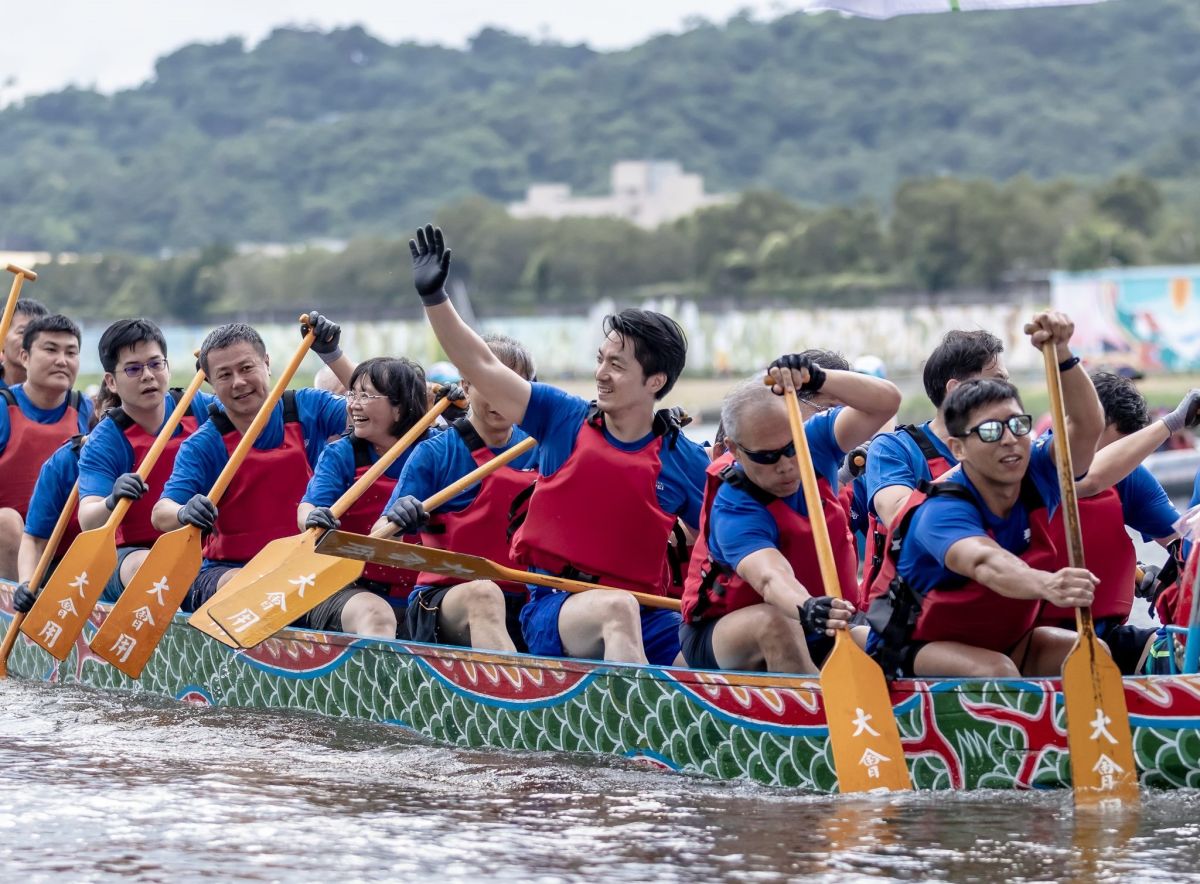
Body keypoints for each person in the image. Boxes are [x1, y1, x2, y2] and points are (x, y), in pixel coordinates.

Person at [407, 224, 708, 666]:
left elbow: (730, 538)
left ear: (656, 381)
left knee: (706, 644)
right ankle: (638, 720)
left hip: (649, 611)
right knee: (617, 608)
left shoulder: (683, 457)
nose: (601, 373)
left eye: (617, 366)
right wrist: (435, 298)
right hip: (555, 607)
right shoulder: (560, 416)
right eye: (600, 360)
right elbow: (481, 364)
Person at [866, 313, 1106, 679]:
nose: (1010, 439)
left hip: (1006, 640)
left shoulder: (1037, 470)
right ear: (958, 449)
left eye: (1017, 425)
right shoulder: (940, 511)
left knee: (1089, 653)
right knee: (997, 671)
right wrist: (1049, 584)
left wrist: (1062, 354)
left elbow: (1087, 426)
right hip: (916, 647)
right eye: (992, 431)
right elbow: (985, 564)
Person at [680, 355, 900, 673]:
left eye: (790, 448)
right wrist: (807, 606)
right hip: (725, 631)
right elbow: (772, 578)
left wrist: (820, 378)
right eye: (766, 457)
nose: (785, 465)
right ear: (735, 449)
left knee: (895, 644)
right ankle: (819, 714)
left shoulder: (815, 440)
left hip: (817, 618)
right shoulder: (733, 506)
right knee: (778, 624)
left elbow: (886, 403)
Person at [151, 314, 354, 611]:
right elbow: (160, 514)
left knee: (367, 611)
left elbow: (378, 409)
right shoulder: (204, 444)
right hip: (227, 572)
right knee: (255, 584)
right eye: (224, 375)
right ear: (209, 382)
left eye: (247, 368)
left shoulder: (309, 406)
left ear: (267, 364)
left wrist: (332, 354)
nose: (239, 382)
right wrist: (184, 512)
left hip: (305, 568)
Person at [382, 334, 539, 653]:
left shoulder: (542, 446)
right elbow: (380, 539)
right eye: (489, 383)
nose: (501, 397)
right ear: (466, 386)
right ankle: (514, 696)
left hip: (529, 599)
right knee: (485, 594)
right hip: (445, 602)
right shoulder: (434, 453)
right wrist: (399, 519)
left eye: (511, 385)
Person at [75, 319, 219, 603]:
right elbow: (87, 520)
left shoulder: (200, 407)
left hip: (204, 547)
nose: (148, 376)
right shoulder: (105, 439)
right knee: (147, 565)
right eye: (133, 368)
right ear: (111, 382)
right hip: (132, 555)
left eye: (156, 364)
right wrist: (111, 499)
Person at [862, 330, 1009, 597]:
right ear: (956, 390)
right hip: (909, 615)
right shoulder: (893, 448)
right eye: (998, 382)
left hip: (990, 602)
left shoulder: (1010, 447)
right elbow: (898, 514)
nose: (1009, 394)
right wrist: (976, 464)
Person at [298, 357, 434, 638]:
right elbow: (308, 507)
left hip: (423, 590)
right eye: (353, 394)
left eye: (366, 396)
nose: (353, 404)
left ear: (400, 408)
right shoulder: (341, 454)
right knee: (375, 614)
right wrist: (311, 518)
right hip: (347, 586)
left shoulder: (439, 450)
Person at [0, 314, 93, 579]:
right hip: (13, 548)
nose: (62, 360)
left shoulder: (86, 409)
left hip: (69, 545)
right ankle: (19, 606)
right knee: (5, 521)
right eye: (50, 349)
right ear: (25, 357)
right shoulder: (3, 407)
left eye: (71, 352)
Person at [0, 298, 49, 388]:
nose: (31, 340)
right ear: (2, 336)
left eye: (36, 334)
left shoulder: (55, 391)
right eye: (23, 332)